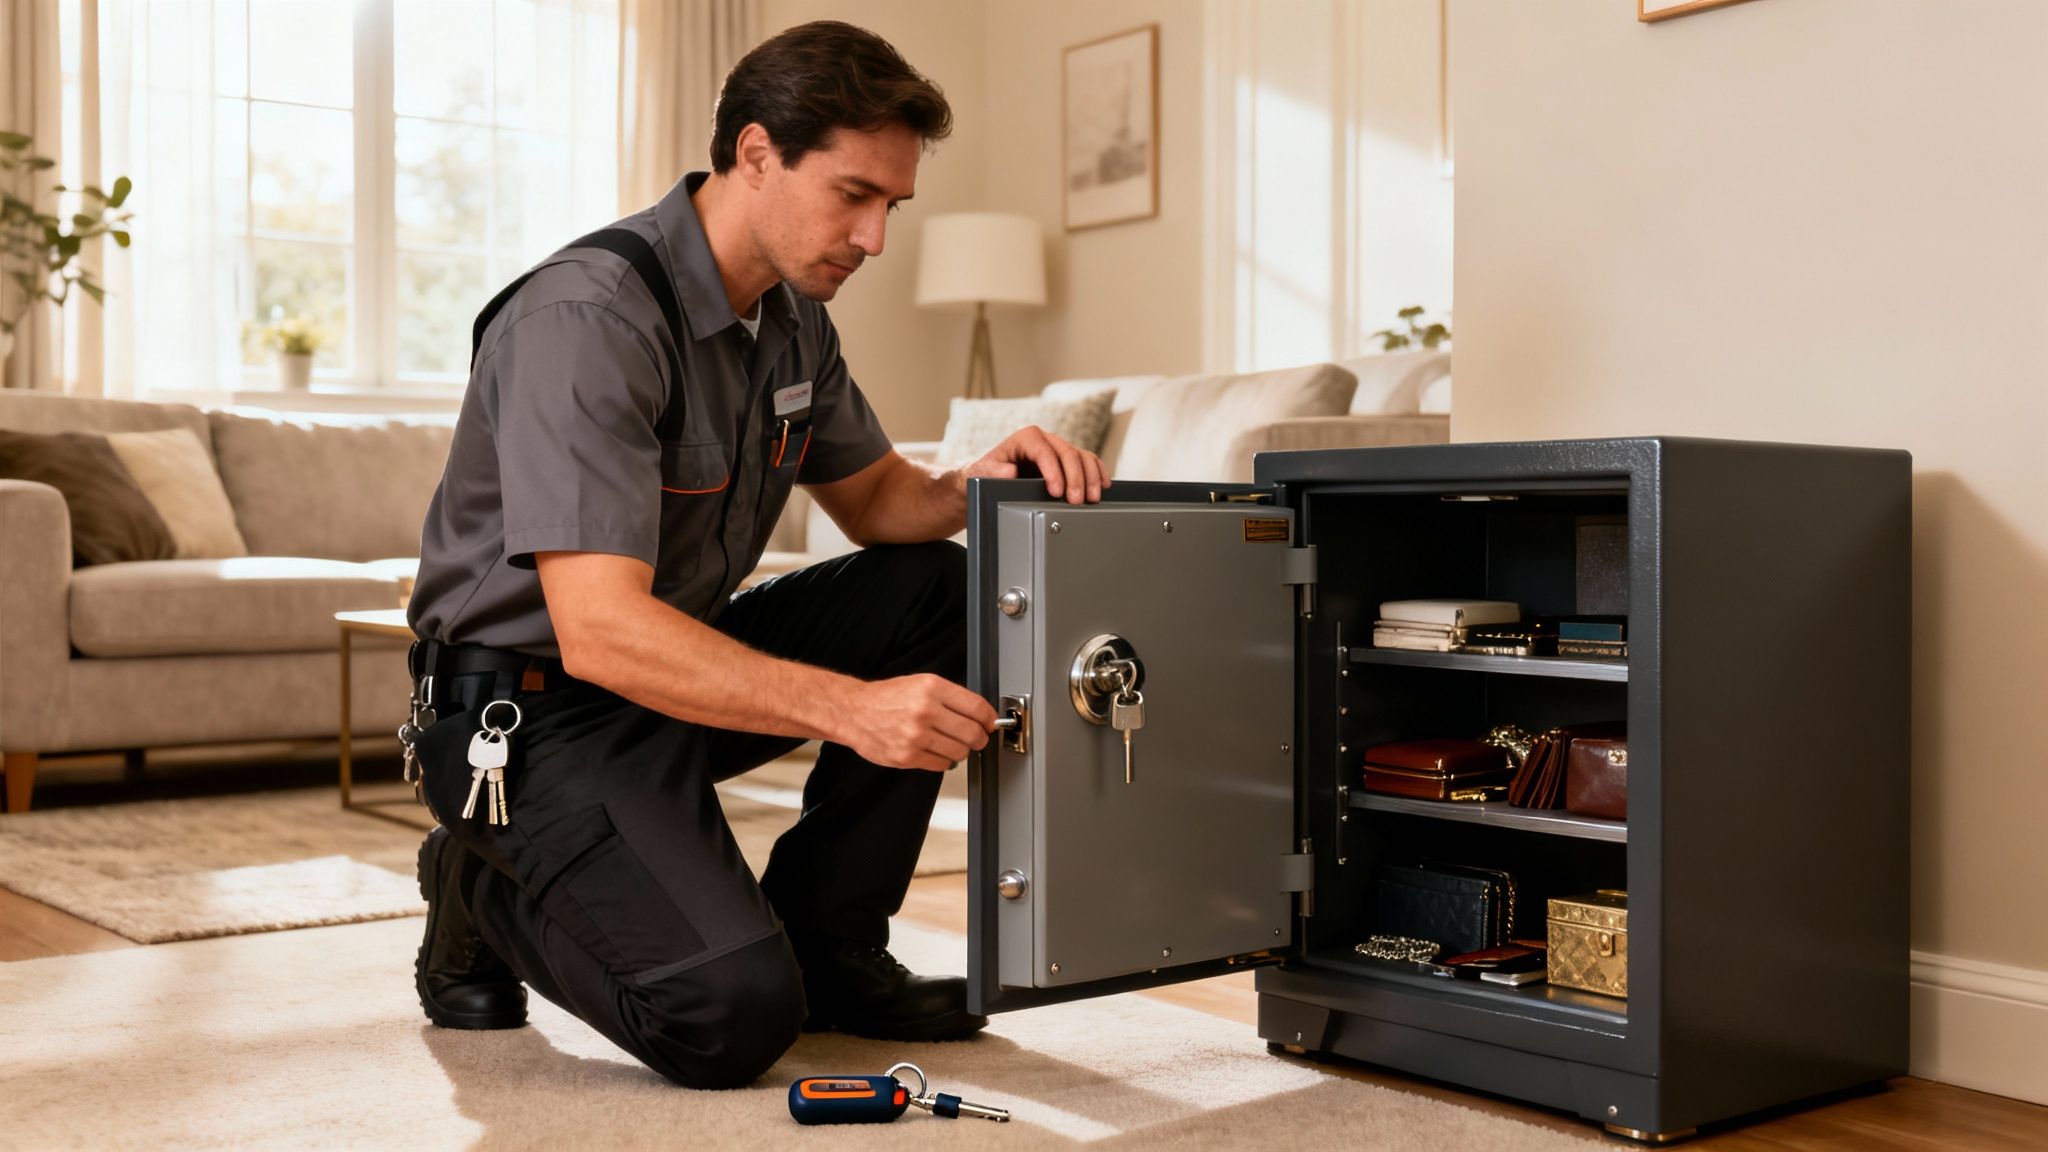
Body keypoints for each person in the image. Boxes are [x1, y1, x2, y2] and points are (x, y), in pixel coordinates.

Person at [401, 20, 1107, 1089]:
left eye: (892, 207)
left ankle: (832, 946)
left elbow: (877, 504)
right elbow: (596, 628)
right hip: (527, 715)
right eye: (853, 195)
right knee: (724, 1019)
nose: (873, 238)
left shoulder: (791, 321)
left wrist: (980, 479)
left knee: (945, 589)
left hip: (656, 682)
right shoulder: (588, 320)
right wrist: (852, 709)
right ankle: (478, 881)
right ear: (756, 153)